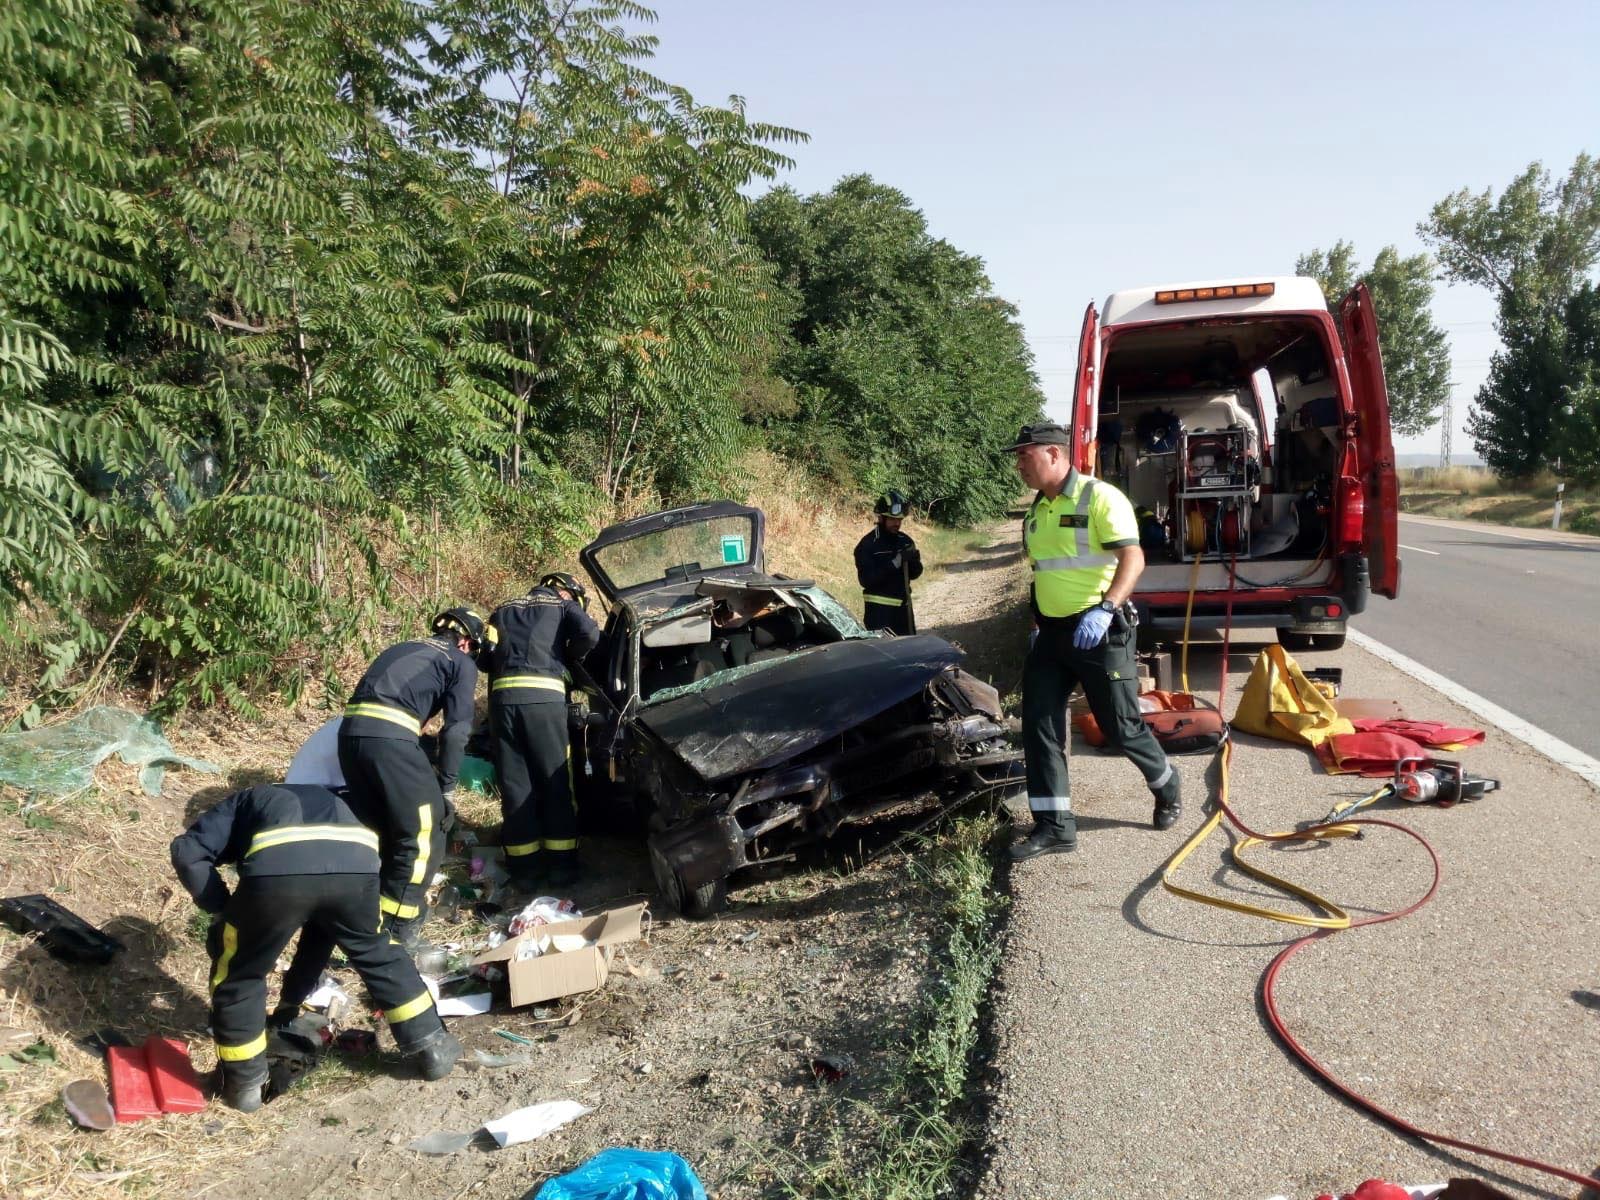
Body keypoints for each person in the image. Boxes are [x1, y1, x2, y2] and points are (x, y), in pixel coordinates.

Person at [170, 782, 462, 1111]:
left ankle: (243, 1085)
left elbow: (187, 852)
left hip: (280, 869)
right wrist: (289, 1004)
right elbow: (321, 933)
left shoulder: (244, 802)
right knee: (378, 953)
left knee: (239, 973)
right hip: (356, 866)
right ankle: (433, 1046)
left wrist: (223, 909)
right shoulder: (335, 796)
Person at [1005, 422, 1181, 861]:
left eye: (1024, 455)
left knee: (1120, 728)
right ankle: (1055, 826)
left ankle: (1167, 784)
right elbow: (1045, 572)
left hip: (1100, 631)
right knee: (1040, 726)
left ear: (1052, 453)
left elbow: (1132, 557)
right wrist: (1036, 625)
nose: (1019, 463)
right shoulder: (1036, 511)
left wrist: (1106, 608)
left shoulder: (1099, 497)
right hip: (1052, 635)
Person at [337, 608, 485, 949]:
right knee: (424, 833)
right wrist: (446, 788)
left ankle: (362, 915)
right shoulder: (460, 661)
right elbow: (457, 730)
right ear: (465, 641)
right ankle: (397, 933)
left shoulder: (402, 647)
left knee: (385, 829)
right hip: (390, 741)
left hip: (351, 739)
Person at [484, 572, 601, 891]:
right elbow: (590, 634)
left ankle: (524, 870)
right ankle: (561, 867)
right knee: (555, 780)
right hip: (544, 700)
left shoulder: (503, 607)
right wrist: (566, 660)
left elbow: (484, 653)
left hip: (502, 704)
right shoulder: (561, 604)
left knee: (515, 784)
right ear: (567, 592)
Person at [854, 490, 923, 634]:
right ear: (881, 518)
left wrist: (914, 563)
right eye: (892, 519)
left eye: (899, 520)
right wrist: (894, 563)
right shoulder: (867, 545)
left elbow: (914, 574)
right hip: (879, 614)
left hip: (904, 613)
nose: (896, 523)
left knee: (909, 654)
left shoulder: (906, 541)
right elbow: (866, 580)